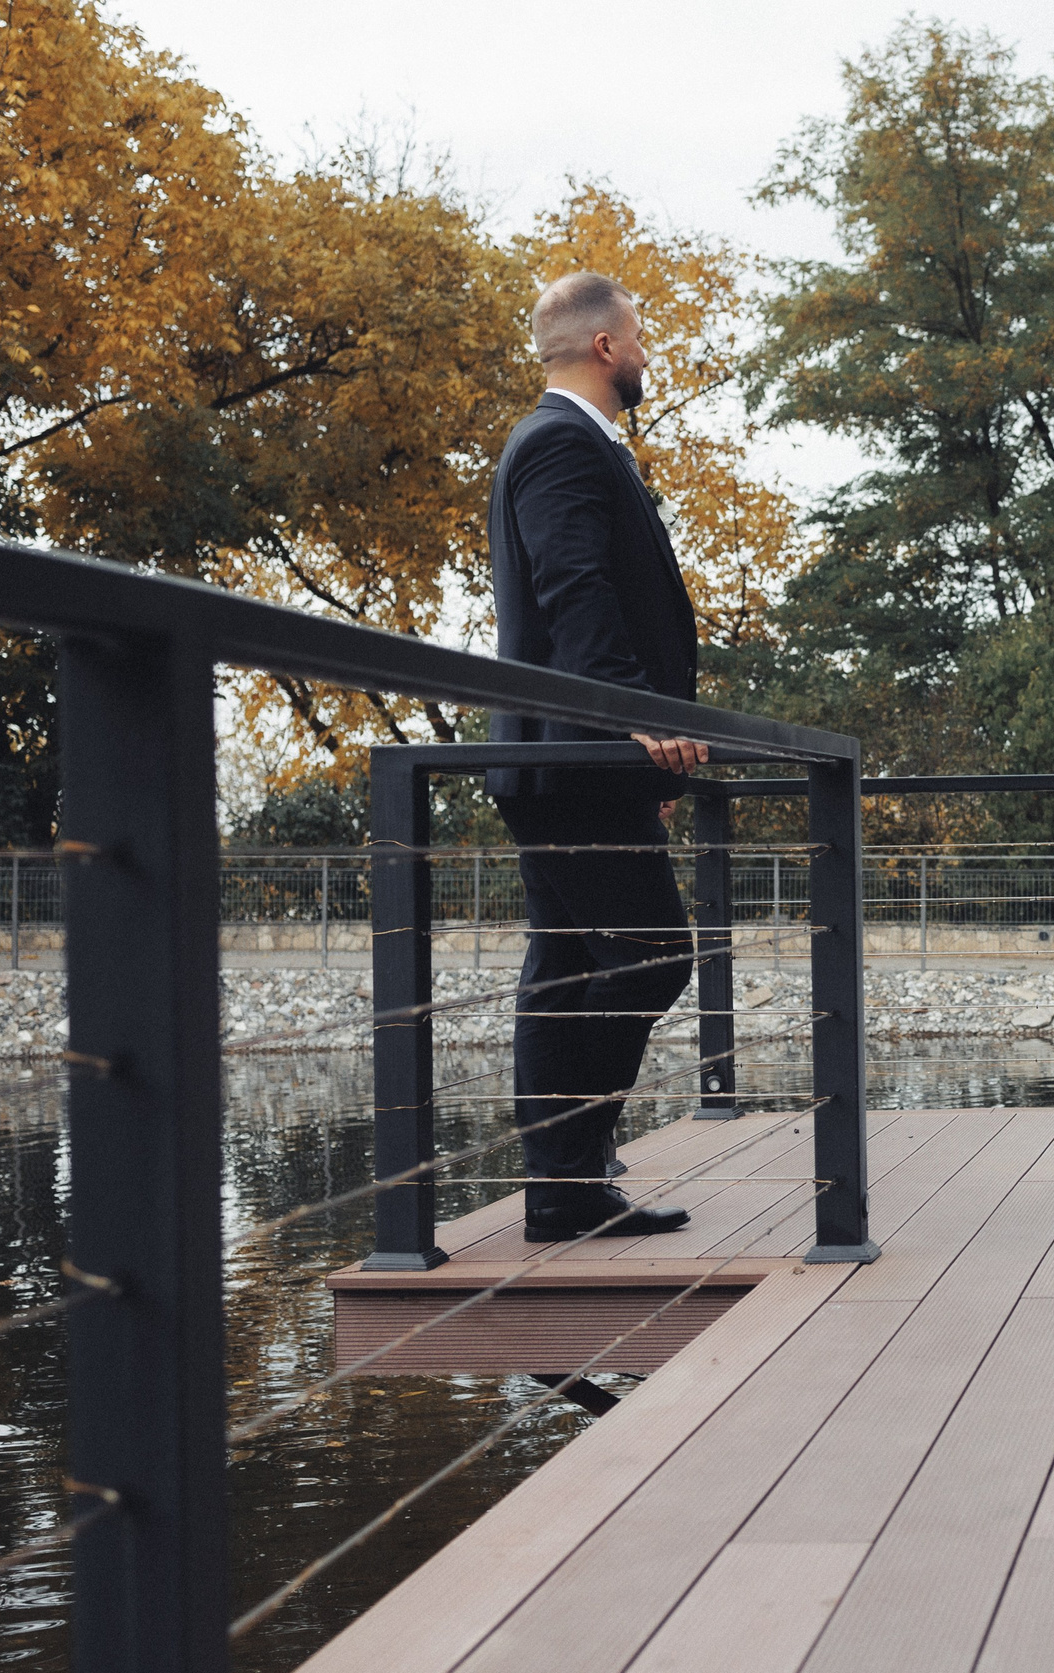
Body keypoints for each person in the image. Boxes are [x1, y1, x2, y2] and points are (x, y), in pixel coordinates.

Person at [485, 271, 708, 1242]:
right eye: (643, 337)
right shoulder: (560, 445)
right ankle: (567, 1176)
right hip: (572, 755)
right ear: (607, 347)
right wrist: (633, 723)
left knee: (570, 966)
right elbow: (575, 589)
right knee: (652, 958)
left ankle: (563, 1189)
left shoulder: (568, 444)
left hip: (570, 756)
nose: (649, 353)